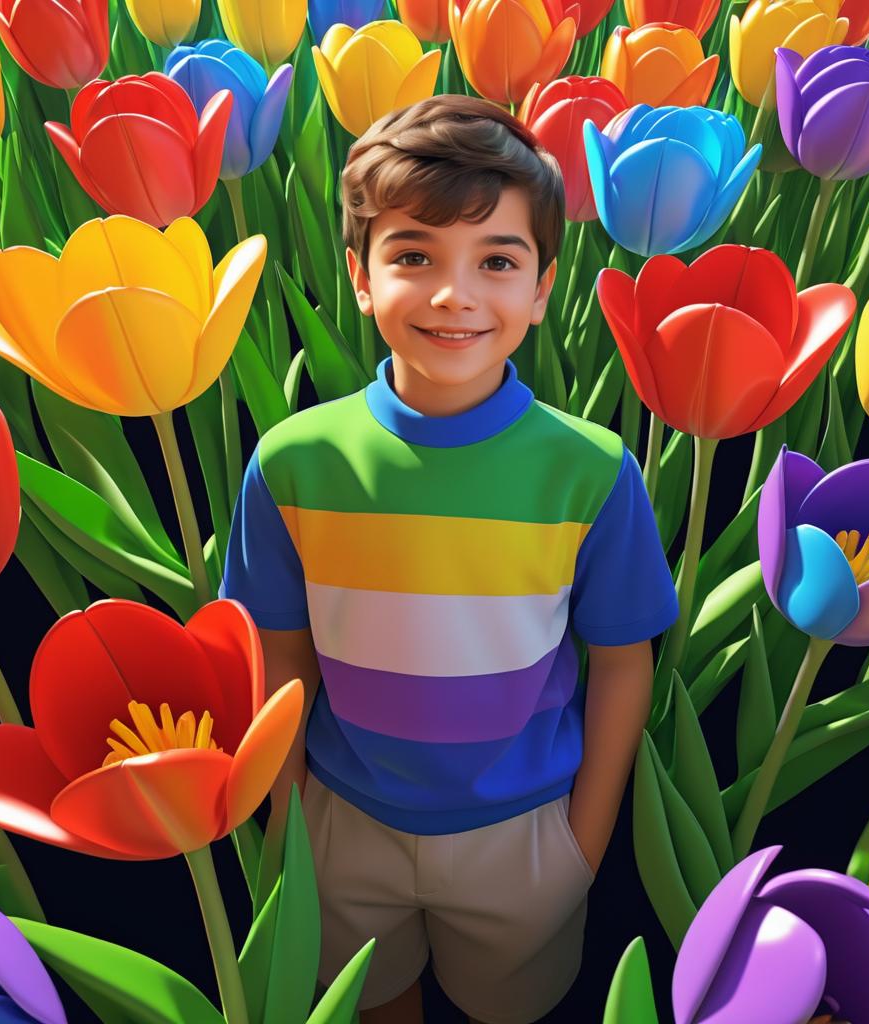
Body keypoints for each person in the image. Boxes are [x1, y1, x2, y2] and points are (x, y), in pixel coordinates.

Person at [220, 93, 678, 1024]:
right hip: (344, 822)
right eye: (413, 255)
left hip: (524, 837)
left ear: (543, 289)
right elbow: (277, 653)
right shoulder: (295, 461)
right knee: (372, 1001)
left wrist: (582, 848)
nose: (452, 294)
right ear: (359, 274)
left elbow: (624, 662)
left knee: (511, 1007)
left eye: (497, 261)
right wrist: (293, 824)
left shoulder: (589, 470)